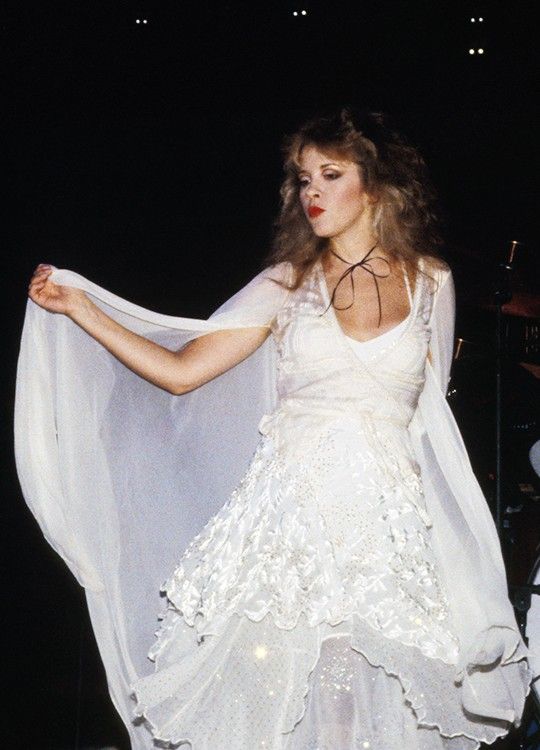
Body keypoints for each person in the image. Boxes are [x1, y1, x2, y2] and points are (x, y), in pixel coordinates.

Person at [21, 108, 533, 749]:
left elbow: (434, 419)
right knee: (277, 693)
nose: (310, 191)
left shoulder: (431, 280)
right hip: (289, 522)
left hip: (386, 525)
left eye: (329, 174)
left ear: (373, 185)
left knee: (368, 698)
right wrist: (83, 310)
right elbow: (181, 371)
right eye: (302, 178)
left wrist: (458, 543)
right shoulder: (287, 282)